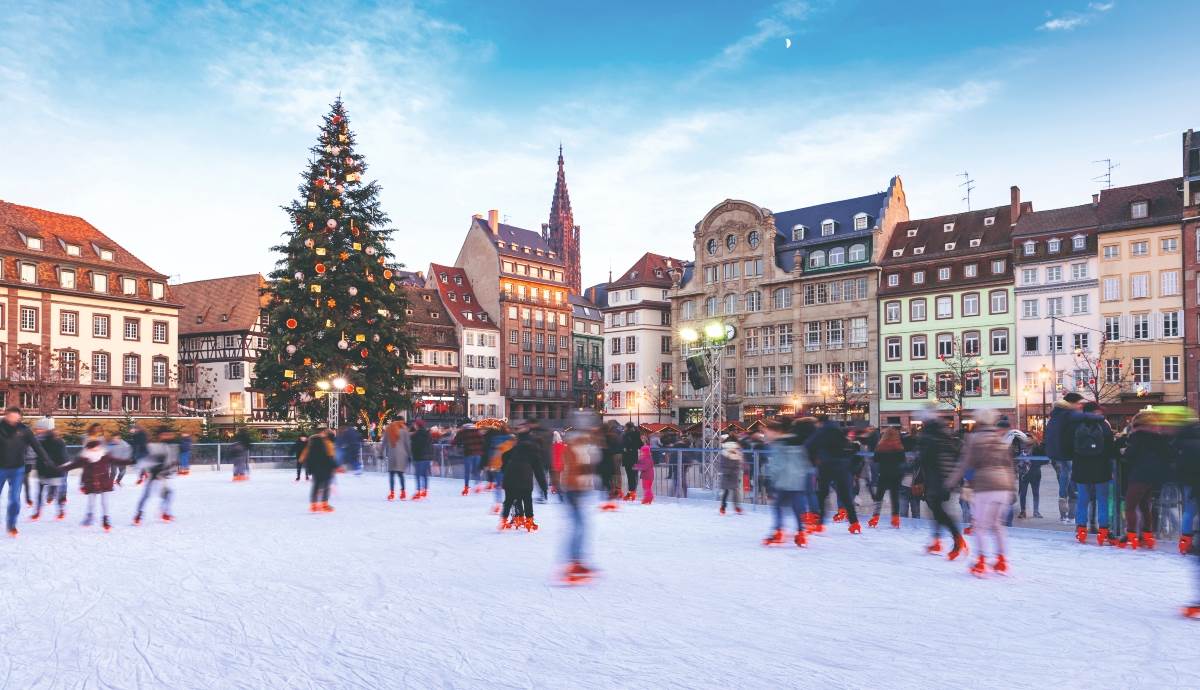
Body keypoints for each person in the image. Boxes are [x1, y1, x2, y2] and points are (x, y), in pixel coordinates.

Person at [948, 411, 1015, 576]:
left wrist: (950, 482)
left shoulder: (974, 439)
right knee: (997, 525)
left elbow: (965, 464)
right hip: (1004, 487)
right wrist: (1012, 488)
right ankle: (1001, 561)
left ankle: (981, 561)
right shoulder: (1000, 440)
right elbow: (1009, 466)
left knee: (979, 526)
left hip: (986, 487)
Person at [915, 411, 968, 560]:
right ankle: (938, 540)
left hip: (937, 480)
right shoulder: (944, 435)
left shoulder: (929, 437)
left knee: (938, 512)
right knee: (936, 511)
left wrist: (909, 468)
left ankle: (957, 540)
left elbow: (925, 459)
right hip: (946, 479)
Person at [1120, 410, 1172, 549]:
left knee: (1130, 506)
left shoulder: (1137, 436)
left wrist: (1124, 452)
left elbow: (1130, 456)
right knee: (1145, 506)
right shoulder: (1158, 436)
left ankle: (1131, 535)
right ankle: (1147, 535)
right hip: (1153, 476)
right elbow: (1166, 454)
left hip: (1138, 474)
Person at [59, 439, 133, 531]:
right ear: (89, 448)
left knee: (104, 502)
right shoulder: (84, 458)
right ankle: (89, 517)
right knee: (91, 502)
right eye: (94, 447)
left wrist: (130, 461)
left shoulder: (105, 455)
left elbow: (117, 461)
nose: (96, 449)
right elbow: (72, 465)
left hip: (104, 481)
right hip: (91, 482)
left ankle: (105, 519)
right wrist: (60, 469)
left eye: (97, 447)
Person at [1044, 392, 1096, 524]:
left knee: (1067, 482)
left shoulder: (1057, 414)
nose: (1080, 406)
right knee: (1072, 484)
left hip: (1056, 453)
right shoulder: (1067, 414)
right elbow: (1082, 419)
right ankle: (1070, 515)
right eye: (1078, 403)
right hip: (1065, 452)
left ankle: (1067, 515)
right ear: (1072, 403)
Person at [560, 412, 599, 583]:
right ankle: (573, 562)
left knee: (580, 526)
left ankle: (576, 560)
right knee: (579, 527)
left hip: (576, 488)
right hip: (572, 489)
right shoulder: (576, 445)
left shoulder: (582, 445)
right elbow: (576, 467)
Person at [0, 407, 51, 537]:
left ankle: (11, 525)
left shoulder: (24, 431)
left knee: (15, 500)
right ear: (6, 416)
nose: (13, 420)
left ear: (19, 418)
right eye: (11, 417)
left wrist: (47, 460)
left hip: (17, 469)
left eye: (16, 418)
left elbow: (37, 446)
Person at [805, 414, 860, 533]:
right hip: (842, 466)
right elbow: (848, 446)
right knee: (845, 496)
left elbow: (808, 445)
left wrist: (814, 459)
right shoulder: (838, 430)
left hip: (826, 465)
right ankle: (855, 523)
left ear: (819, 422)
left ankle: (820, 524)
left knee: (822, 494)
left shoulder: (821, 431)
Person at [762, 419, 812, 547]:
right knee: (797, 509)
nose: (766, 435)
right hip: (798, 481)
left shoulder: (779, 443)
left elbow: (777, 464)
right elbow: (806, 461)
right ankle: (801, 534)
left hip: (783, 481)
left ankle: (778, 531)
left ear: (776, 431)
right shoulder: (800, 441)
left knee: (777, 506)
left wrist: (770, 480)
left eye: (767, 432)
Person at [1071, 402, 1115, 546]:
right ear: (1095, 411)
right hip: (1101, 468)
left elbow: (1069, 446)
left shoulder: (1075, 425)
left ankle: (1081, 530)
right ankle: (1103, 531)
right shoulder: (1104, 425)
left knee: (1083, 499)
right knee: (1102, 499)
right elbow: (1110, 447)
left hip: (1081, 468)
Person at [499, 427, 546, 531]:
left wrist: (504, 468)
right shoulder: (534, 451)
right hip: (525, 479)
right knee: (527, 499)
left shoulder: (515, 449)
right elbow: (539, 472)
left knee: (510, 500)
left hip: (510, 479)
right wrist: (544, 487)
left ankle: (505, 520)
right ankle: (528, 521)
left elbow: (504, 455)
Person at [133, 431, 180, 524]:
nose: (168, 436)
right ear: (160, 436)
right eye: (166, 434)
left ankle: (165, 512)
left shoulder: (170, 447)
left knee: (169, 494)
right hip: (154, 477)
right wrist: (146, 471)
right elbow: (145, 461)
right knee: (146, 496)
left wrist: (172, 470)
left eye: (169, 434)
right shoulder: (154, 447)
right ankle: (138, 515)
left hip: (163, 478)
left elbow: (172, 462)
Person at [31, 418, 68, 522]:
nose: (38, 431)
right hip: (43, 471)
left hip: (55, 471)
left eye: (40, 429)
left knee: (56, 492)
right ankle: (37, 511)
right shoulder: (37, 440)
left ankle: (60, 510)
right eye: (37, 429)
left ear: (46, 429)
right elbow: (37, 456)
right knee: (39, 492)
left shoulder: (56, 440)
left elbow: (62, 457)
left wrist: (59, 467)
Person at [868, 427, 906, 529]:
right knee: (894, 497)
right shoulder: (899, 447)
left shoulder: (880, 446)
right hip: (896, 475)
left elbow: (875, 459)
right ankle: (895, 519)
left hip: (883, 474)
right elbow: (903, 460)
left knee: (879, 497)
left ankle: (875, 518)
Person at [300, 429, 337, 512]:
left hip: (314, 468)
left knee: (316, 486)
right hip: (325, 467)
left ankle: (313, 505)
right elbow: (330, 456)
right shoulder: (327, 443)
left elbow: (306, 453)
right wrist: (334, 466)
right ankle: (324, 505)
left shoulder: (312, 442)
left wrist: (303, 461)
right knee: (326, 486)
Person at [383, 418, 411, 501]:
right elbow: (407, 444)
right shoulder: (404, 429)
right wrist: (410, 455)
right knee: (401, 474)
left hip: (392, 454)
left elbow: (384, 443)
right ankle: (403, 494)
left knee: (391, 474)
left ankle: (391, 494)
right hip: (402, 455)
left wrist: (381, 453)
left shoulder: (389, 429)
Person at [454, 422, 484, 496]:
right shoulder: (478, 432)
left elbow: (456, 441)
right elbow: (483, 442)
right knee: (476, 470)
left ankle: (466, 487)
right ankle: (478, 485)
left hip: (468, 453)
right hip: (478, 453)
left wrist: (459, 445)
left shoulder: (463, 432)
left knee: (467, 471)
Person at [717, 440, 743, 515]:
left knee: (736, 492)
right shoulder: (723, 455)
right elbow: (721, 465)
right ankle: (723, 507)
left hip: (734, 475)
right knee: (726, 492)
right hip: (726, 475)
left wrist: (737, 472)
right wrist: (727, 471)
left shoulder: (737, 455)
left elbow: (738, 465)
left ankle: (737, 507)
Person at [410, 420, 433, 500]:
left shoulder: (415, 435)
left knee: (418, 475)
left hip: (418, 457)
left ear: (417, 426)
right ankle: (425, 490)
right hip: (427, 458)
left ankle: (418, 491)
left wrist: (412, 455)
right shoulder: (428, 434)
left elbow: (413, 447)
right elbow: (431, 446)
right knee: (425, 475)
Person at [621, 422, 641, 501]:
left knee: (630, 476)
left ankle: (631, 493)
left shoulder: (626, 435)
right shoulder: (637, 435)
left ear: (627, 427)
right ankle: (632, 493)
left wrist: (625, 448)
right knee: (633, 475)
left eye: (625, 427)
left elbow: (624, 444)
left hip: (628, 457)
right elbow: (640, 445)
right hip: (634, 457)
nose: (624, 428)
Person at [635, 436, 656, 505]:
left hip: (647, 475)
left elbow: (644, 467)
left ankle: (648, 498)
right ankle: (648, 498)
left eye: (642, 452)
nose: (641, 453)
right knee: (647, 487)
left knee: (646, 487)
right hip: (649, 475)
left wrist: (637, 467)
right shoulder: (648, 457)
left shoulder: (646, 458)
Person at [550, 430, 566, 499]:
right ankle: (557, 489)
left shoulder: (551, 445)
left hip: (553, 462)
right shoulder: (562, 444)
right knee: (558, 477)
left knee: (554, 477)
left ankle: (554, 489)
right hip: (560, 462)